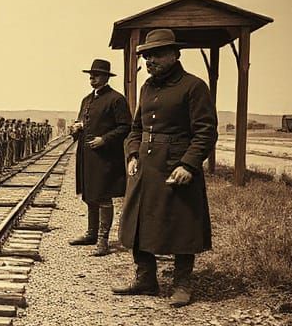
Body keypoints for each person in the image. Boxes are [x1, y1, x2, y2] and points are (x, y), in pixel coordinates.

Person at [114, 29, 218, 307]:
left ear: (175, 54)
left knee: (182, 225)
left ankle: (182, 284)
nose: (150, 60)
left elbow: (206, 132)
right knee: (137, 223)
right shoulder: (147, 87)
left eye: (157, 54)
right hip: (145, 168)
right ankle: (146, 279)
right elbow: (136, 129)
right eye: (147, 56)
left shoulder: (194, 86)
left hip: (176, 169)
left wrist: (189, 165)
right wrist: (133, 155)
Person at [69, 59, 132, 256]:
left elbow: (125, 126)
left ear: (105, 77)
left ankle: (103, 240)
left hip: (105, 156)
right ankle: (91, 233)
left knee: (103, 197)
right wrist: (76, 129)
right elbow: (82, 122)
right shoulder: (86, 99)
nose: (92, 77)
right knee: (89, 195)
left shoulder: (116, 99)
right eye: (90, 74)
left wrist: (104, 139)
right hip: (86, 155)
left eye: (96, 75)